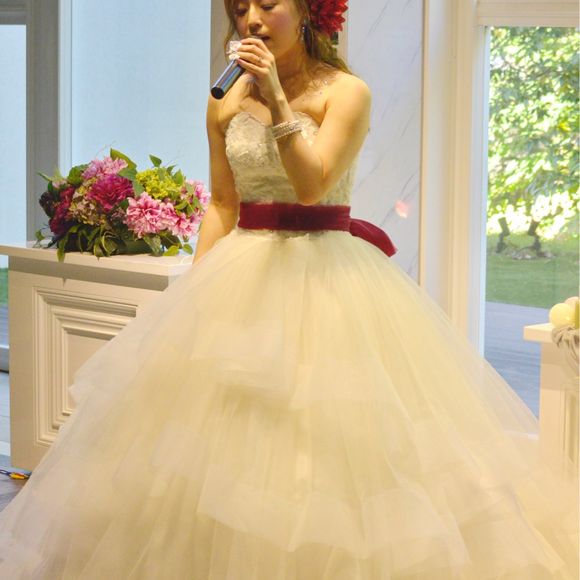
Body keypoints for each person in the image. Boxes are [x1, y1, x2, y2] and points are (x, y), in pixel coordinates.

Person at [0, 0, 577, 578]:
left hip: (328, 276)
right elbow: (223, 204)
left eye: (268, 5)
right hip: (241, 271)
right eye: (239, 8)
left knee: (325, 437)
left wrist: (277, 98)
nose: (251, 20)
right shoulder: (223, 98)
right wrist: (192, 296)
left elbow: (311, 185)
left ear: (306, 12)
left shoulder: (347, 93)